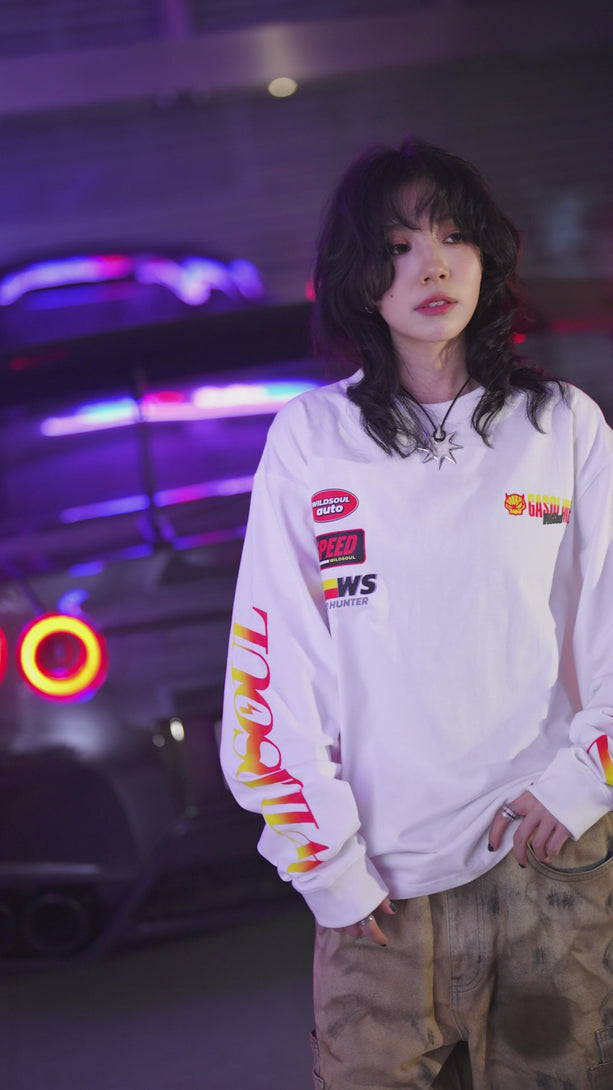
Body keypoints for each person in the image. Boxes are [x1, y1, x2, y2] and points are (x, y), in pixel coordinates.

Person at [220, 137, 613, 1089]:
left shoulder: (561, 424)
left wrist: (583, 782)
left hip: (547, 863)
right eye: (396, 246)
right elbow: (270, 669)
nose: (430, 267)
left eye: (450, 237)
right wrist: (328, 868)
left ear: (486, 254)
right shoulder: (311, 440)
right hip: (378, 893)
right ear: (358, 277)